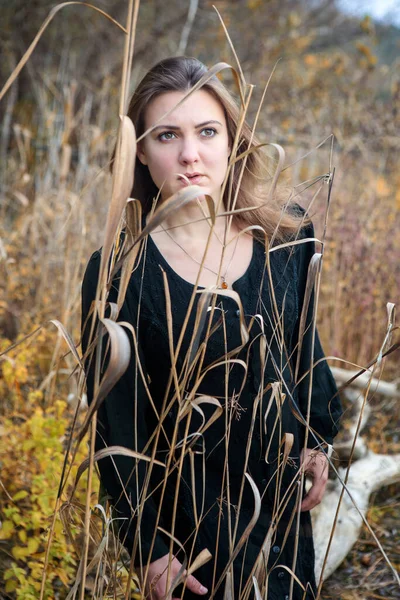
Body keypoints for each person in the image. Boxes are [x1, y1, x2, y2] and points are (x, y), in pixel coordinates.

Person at [81, 56, 342, 600]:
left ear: (232, 141)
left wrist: (318, 441)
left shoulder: (286, 237)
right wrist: (147, 548)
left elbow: (304, 347)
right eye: (166, 135)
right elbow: (115, 426)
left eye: (206, 131)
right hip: (186, 530)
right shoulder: (120, 273)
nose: (189, 155)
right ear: (141, 153)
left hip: (279, 508)